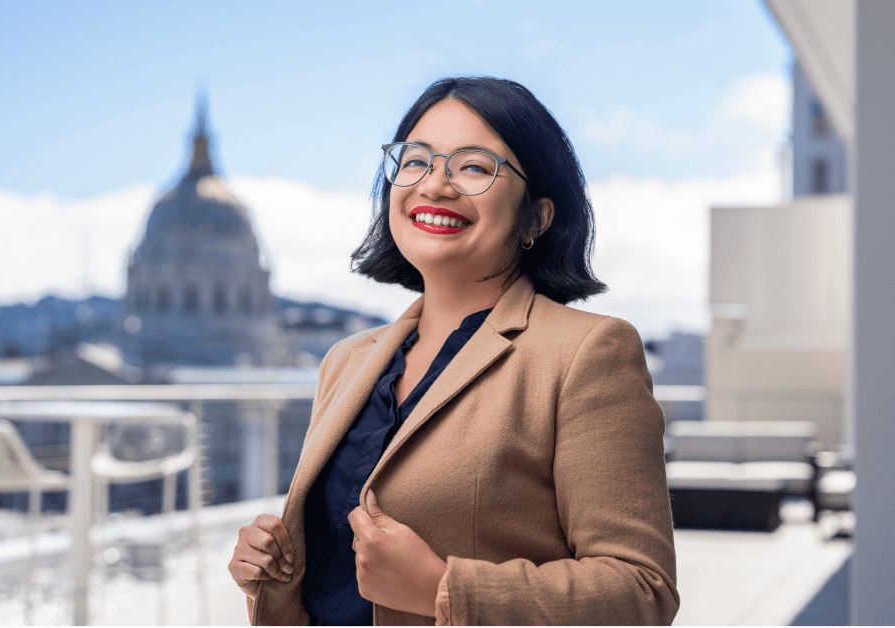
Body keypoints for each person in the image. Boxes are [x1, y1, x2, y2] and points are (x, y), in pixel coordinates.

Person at [229, 76, 679, 625]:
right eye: (416, 160)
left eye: (473, 167)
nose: (434, 186)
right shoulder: (347, 362)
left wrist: (441, 589)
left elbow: (640, 593)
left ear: (536, 216)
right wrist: (274, 575)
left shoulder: (588, 353)